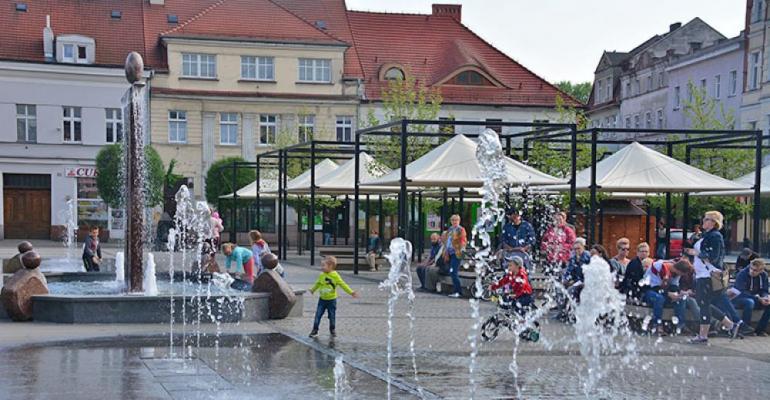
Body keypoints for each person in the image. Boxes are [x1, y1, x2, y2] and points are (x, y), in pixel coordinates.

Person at [687, 211, 745, 344]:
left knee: (704, 304)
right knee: (704, 303)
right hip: (702, 275)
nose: (703, 221)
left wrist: (696, 252)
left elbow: (714, 257)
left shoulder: (715, 236)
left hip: (708, 275)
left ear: (714, 222)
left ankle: (704, 335)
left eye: (707, 219)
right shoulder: (707, 235)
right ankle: (731, 325)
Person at [309, 256, 359, 337]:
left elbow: (343, 284)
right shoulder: (322, 275)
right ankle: (315, 330)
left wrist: (351, 292)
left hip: (331, 300)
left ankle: (332, 329)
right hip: (322, 300)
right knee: (318, 315)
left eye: (323, 265)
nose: (322, 267)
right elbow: (318, 283)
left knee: (331, 316)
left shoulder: (335, 276)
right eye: (322, 265)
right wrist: (313, 290)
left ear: (330, 266)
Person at [731, 258, 770, 336]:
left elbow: (764, 290)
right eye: (751, 268)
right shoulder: (742, 274)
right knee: (749, 302)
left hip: (757, 298)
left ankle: (760, 330)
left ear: (761, 270)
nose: (752, 271)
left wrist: (766, 297)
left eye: (755, 270)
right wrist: (758, 298)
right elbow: (740, 292)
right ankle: (746, 328)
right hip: (740, 298)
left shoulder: (764, 275)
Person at [668, 259, 701, 334]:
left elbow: (696, 289)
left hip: (689, 295)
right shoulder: (676, 272)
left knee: (691, 301)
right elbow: (673, 286)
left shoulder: (692, 274)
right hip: (676, 295)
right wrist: (681, 291)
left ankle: (701, 324)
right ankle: (682, 325)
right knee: (684, 300)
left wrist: (690, 292)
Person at [642, 258, 670, 336]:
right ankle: (657, 325)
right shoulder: (646, 276)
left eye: (648, 266)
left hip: (658, 293)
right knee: (659, 298)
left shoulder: (660, 274)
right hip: (646, 293)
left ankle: (680, 325)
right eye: (645, 266)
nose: (646, 268)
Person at [442, 214, 467, 298]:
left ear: (459, 221)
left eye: (456, 220)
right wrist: (446, 252)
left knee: (453, 272)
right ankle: (455, 290)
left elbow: (463, 240)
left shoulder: (460, 229)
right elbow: (447, 242)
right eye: (453, 220)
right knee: (452, 272)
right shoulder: (450, 230)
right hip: (450, 253)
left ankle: (458, 291)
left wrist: (462, 248)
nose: (454, 222)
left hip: (456, 253)